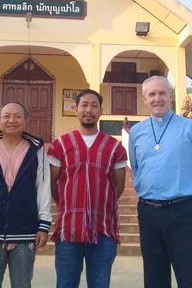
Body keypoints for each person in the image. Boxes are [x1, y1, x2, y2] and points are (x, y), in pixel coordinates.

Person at [129, 76, 192, 288]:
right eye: (152, 94)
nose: (157, 98)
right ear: (144, 98)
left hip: (182, 211)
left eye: (162, 93)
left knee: (188, 276)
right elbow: (136, 168)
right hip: (149, 213)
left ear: (171, 97)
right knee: (154, 277)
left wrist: (190, 194)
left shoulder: (191, 129)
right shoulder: (136, 132)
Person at [48, 89, 128, 288]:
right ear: (76, 109)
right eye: (84, 105)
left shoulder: (114, 147)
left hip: (103, 230)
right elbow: (51, 182)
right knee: (66, 284)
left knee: (100, 284)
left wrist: (101, 204)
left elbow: (119, 186)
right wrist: (67, 204)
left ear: (101, 111)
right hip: (69, 230)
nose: (89, 110)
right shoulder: (60, 144)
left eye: (94, 106)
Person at [0, 102, 51, 288]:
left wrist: (43, 225)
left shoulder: (36, 151)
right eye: (6, 116)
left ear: (25, 120)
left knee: (22, 284)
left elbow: (43, 188)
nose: (11, 120)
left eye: (17, 116)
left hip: (25, 232)